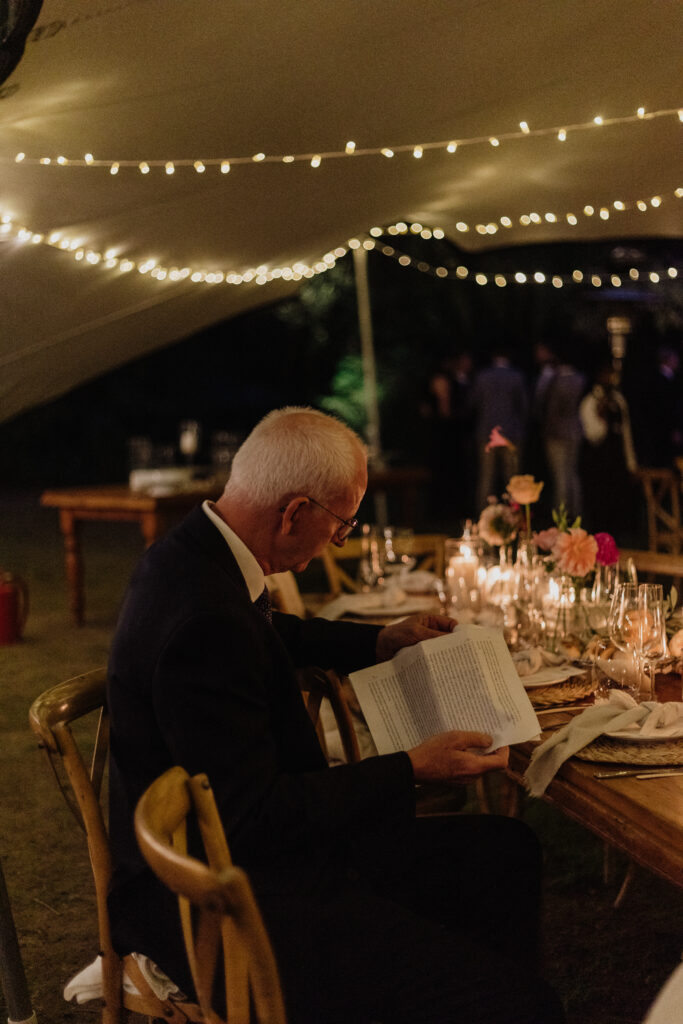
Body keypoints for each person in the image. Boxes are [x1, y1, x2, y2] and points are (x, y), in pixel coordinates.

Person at [107, 406, 564, 1024]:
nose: (341, 540)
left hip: (253, 853)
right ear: (294, 511)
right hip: (225, 900)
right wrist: (409, 768)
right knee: (522, 1005)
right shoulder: (204, 624)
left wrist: (375, 643)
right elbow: (255, 817)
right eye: (343, 525)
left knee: (506, 849)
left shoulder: (196, 554)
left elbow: (270, 632)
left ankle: (461, 979)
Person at [579, 362, 638, 538]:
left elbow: (626, 433)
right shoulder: (590, 401)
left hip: (616, 462)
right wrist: (601, 417)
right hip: (598, 463)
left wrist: (631, 462)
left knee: (617, 507)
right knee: (599, 507)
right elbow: (593, 435)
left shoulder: (619, 400)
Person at [470, 347, 528, 510]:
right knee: (512, 480)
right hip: (512, 432)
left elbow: (473, 403)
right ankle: (514, 515)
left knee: (486, 477)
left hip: (486, 432)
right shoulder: (517, 376)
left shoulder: (482, 376)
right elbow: (524, 406)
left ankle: (482, 515)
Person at [537, 342, 586, 518]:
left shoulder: (555, 380)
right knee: (572, 474)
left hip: (556, 433)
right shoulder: (580, 379)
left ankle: (561, 516)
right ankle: (577, 514)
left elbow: (545, 405)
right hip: (575, 431)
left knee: (561, 477)